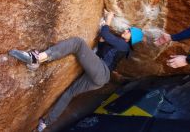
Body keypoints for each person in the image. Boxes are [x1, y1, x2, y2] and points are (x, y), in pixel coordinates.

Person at [9, 12, 144, 131]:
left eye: (129, 31)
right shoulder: (119, 44)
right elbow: (102, 43)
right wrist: (102, 38)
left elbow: (105, 33)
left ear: (131, 39)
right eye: (128, 28)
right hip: (99, 77)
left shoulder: (124, 46)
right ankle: (45, 123)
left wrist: (108, 19)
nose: (126, 30)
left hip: (101, 72)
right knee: (70, 93)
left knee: (77, 43)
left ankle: (37, 59)